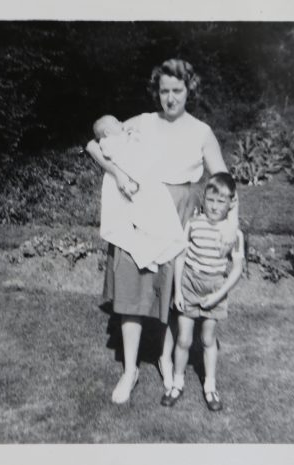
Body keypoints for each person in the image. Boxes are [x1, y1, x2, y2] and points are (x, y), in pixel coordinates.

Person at [85, 58, 238, 404]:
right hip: (139, 209)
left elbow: (225, 181)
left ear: (189, 90)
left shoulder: (201, 131)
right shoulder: (142, 122)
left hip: (180, 212)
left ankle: (166, 359)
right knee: (132, 287)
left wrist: (230, 223)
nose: (170, 98)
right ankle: (130, 370)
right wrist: (120, 174)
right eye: (164, 91)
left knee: (173, 295)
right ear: (157, 92)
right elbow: (96, 145)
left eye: (177, 90)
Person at [161, 172, 244, 411]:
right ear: (203, 199)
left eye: (221, 201)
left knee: (208, 339)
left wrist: (218, 296)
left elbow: (237, 269)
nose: (215, 206)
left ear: (230, 204)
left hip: (215, 288)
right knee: (184, 339)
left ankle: (210, 386)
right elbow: (181, 258)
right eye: (210, 200)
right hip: (189, 285)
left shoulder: (233, 234)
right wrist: (178, 291)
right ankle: (177, 384)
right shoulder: (194, 224)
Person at [93, 114, 186, 272]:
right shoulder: (108, 142)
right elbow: (118, 155)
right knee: (143, 215)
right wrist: (130, 138)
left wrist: (133, 137)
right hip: (129, 176)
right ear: (108, 132)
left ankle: (152, 249)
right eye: (117, 122)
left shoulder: (125, 133)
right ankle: (148, 252)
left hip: (140, 175)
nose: (121, 122)